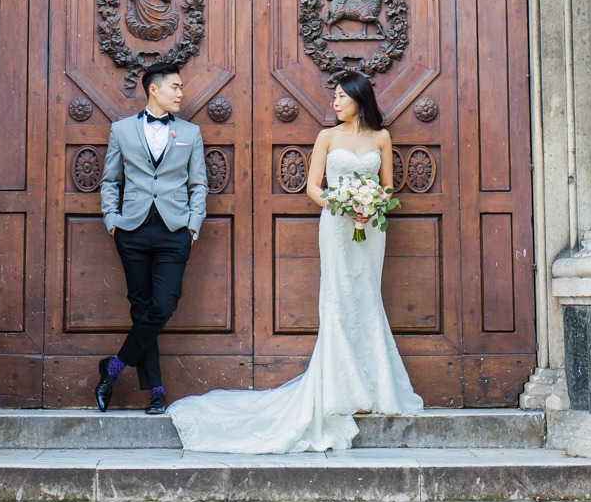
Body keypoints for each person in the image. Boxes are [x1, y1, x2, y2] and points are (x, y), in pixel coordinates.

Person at [169, 69, 422, 452]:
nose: (335, 102)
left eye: (341, 96)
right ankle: (343, 391)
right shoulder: (326, 136)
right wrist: (343, 204)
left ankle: (377, 388)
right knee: (338, 298)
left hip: (372, 229)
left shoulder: (381, 138)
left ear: (358, 99)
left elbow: (387, 185)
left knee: (367, 296)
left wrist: (372, 206)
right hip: (337, 226)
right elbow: (313, 187)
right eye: (334, 96)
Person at [96, 63, 208, 415]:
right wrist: (112, 220)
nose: (181, 93)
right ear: (154, 90)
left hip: (175, 230)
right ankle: (156, 391)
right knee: (142, 309)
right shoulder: (122, 130)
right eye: (175, 87)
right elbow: (110, 180)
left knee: (163, 305)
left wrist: (193, 224)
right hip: (132, 229)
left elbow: (199, 183)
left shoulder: (191, 132)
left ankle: (113, 368)